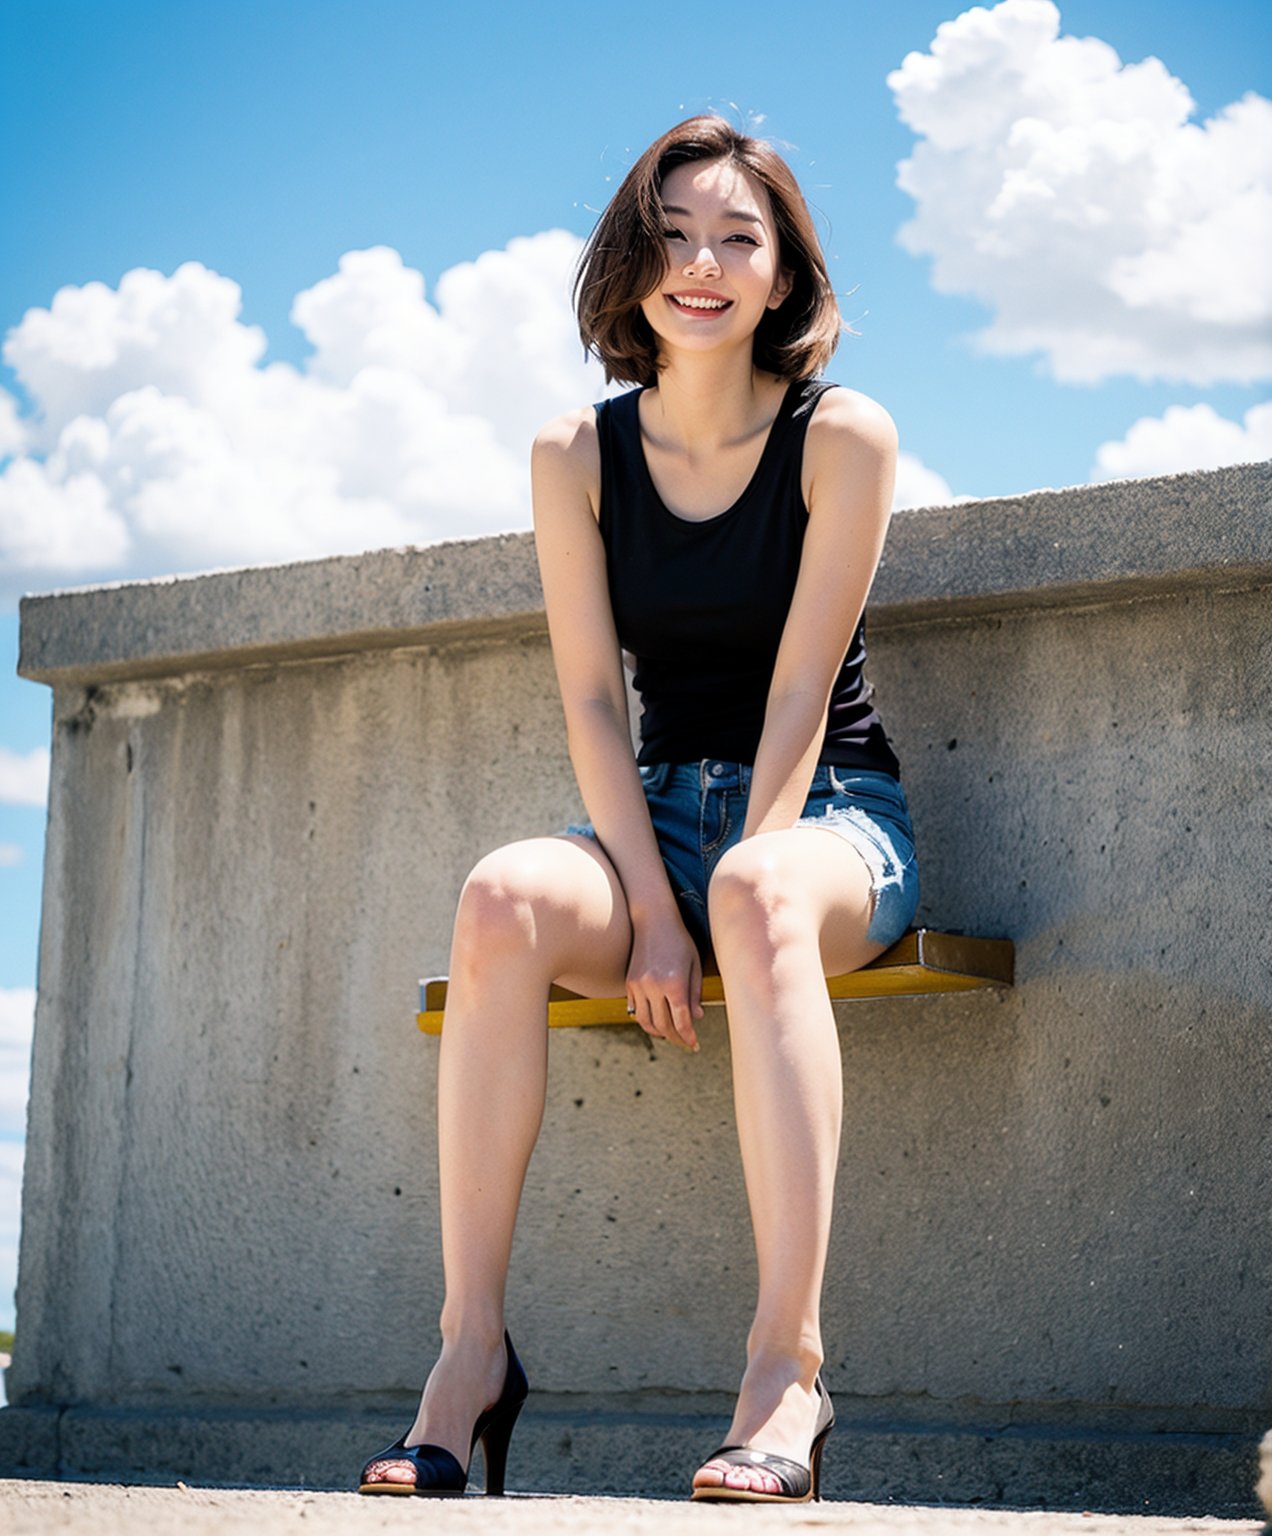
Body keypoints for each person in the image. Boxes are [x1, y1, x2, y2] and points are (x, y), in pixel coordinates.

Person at [358, 113, 919, 1504]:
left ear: (785, 274)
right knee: (499, 893)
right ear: (633, 259)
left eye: (741, 236)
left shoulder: (840, 437)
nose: (705, 263)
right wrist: (654, 910)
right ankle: (468, 1358)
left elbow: (800, 696)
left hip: (828, 816)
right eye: (675, 235)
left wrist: (728, 893)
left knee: (757, 890)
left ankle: (787, 1376)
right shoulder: (574, 453)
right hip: (650, 821)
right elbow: (595, 706)